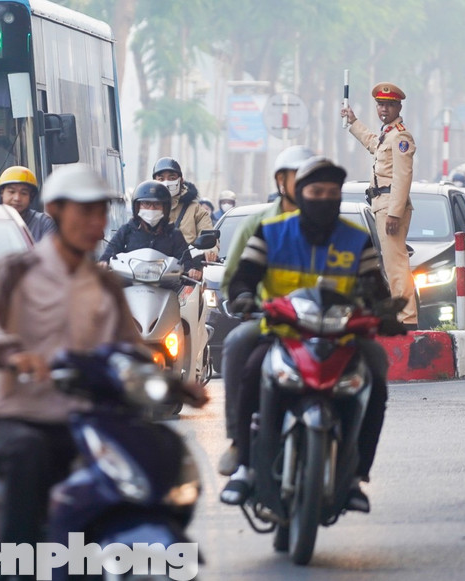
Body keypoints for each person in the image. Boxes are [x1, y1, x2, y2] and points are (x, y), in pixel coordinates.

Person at [0, 164, 208, 551]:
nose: (95, 222)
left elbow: (129, 351)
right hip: (16, 415)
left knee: (161, 451)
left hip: (83, 419)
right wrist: (14, 355)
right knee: (29, 457)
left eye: (100, 213)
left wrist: (172, 384)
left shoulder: (104, 287)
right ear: (56, 211)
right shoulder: (13, 271)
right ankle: (18, 565)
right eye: (85, 212)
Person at [218, 157, 404, 513]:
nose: (324, 199)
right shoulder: (271, 232)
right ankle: (243, 462)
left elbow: (374, 289)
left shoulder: (356, 239)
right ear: (300, 195)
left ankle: (355, 477)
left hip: (342, 337)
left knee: (376, 375)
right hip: (280, 333)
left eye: (331, 193)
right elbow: (244, 276)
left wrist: (386, 313)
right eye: (316, 192)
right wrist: (242, 297)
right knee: (248, 361)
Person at [215, 143, 314, 476]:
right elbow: (234, 280)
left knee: (368, 362)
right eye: (295, 177)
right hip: (270, 322)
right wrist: (244, 299)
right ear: (280, 182)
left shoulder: (332, 228)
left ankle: (354, 463)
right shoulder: (256, 225)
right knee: (236, 345)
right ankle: (237, 441)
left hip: (322, 326)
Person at [342, 82, 418, 327]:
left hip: (390, 206)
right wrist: (354, 122)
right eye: (380, 105)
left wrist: (395, 213)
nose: (383, 109)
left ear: (398, 106)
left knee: (396, 265)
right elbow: (373, 143)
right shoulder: (388, 134)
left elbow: (402, 177)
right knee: (391, 264)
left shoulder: (401, 136)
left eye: (388, 105)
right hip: (381, 204)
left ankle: (406, 319)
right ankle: (401, 315)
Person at [99, 181, 202, 278]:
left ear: (165, 208)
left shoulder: (174, 234)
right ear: (137, 206)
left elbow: (186, 262)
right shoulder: (126, 231)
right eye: (146, 204)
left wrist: (192, 271)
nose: (151, 209)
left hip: (166, 288)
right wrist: (103, 263)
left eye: (157, 204)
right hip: (129, 286)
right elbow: (109, 253)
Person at [151, 157, 216, 260]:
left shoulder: (196, 210)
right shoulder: (147, 209)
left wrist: (209, 251)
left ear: (181, 180)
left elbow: (208, 235)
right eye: (161, 179)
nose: (167, 183)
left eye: (172, 178)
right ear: (154, 182)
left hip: (188, 270)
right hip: (152, 268)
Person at [0, 166, 55, 242]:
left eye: (23, 193)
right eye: (12, 192)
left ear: (31, 197)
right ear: (2, 193)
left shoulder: (44, 223)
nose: (17, 198)